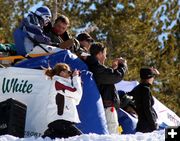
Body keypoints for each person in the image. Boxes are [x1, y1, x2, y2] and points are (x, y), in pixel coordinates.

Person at [84, 42, 128, 134]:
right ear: (99, 54)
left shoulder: (93, 66)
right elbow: (116, 76)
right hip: (107, 106)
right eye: (104, 54)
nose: (105, 57)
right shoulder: (96, 67)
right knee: (112, 131)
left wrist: (113, 68)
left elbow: (108, 77)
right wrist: (122, 65)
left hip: (102, 106)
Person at [42, 63, 83, 139]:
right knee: (80, 138)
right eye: (68, 72)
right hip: (61, 120)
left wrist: (77, 81)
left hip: (61, 121)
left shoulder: (63, 84)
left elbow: (77, 101)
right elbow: (77, 93)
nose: (70, 74)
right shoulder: (58, 83)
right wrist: (75, 78)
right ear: (62, 73)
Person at [128, 67, 159, 133]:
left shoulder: (136, 88)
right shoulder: (145, 89)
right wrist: (153, 125)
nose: (153, 79)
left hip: (141, 123)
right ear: (149, 78)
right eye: (153, 77)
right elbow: (147, 108)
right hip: (147, 125)